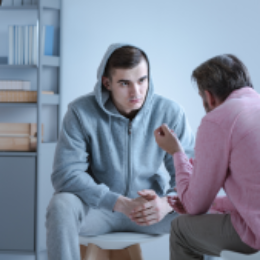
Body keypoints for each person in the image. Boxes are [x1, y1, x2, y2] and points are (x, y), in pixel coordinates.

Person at [45, 43, 194, 260]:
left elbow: (191, 175)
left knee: (204, 210)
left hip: (152, 211)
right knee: (60, 205)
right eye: (125, 83)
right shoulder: (80, 112)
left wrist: (166, 203)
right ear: (107, 83)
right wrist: (119, 203)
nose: (137, 92)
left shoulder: (170, 112)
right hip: (99, 210)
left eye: (142, 80)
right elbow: (65, 175)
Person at [152, 54, 260, 260]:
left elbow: (194, 206)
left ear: (209, 97)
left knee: (181, 230)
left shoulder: (218, 120)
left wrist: (176, 152)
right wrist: (214, 204)